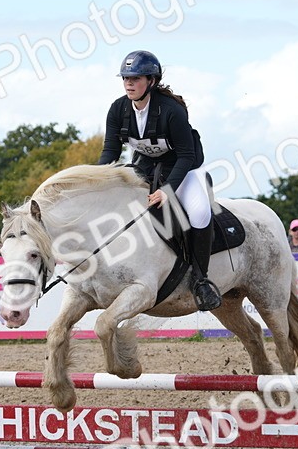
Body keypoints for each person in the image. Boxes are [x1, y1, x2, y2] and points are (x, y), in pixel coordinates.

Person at [94, 49, 221, 311]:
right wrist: (96, 181)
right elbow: (110, 151)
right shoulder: (118, 109)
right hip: (147, 167)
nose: (129, 83)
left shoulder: (171, 110)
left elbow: (186, 155)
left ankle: (201, 280)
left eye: (136, 78)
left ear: (151, 81)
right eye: (126, 78)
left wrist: (167, 190)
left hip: (184, 168)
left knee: (199, 212)